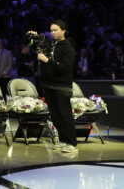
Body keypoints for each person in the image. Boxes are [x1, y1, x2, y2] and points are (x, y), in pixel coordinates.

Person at [28, 19, 78, 153]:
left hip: (62, 86)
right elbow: (31, 43)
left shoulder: (68, 48)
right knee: (55, 116)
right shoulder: (49, 44)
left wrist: (47, 60)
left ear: (64, 31)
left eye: (56, 30)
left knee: (65, 115)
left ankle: (72, 144)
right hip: (48, 85)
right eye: (51, 30)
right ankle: (63, 141)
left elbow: (65, 68)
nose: (53, 33)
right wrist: (30, 35)